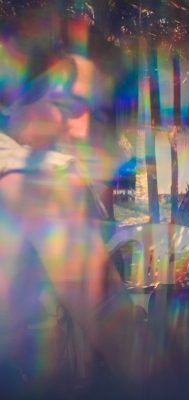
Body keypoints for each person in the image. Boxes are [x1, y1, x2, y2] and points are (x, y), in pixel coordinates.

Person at [0, 53, 142, 395]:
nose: (79, 126)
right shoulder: (35, 176)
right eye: (65, 106)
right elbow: (107, 310)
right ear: (13, 97)